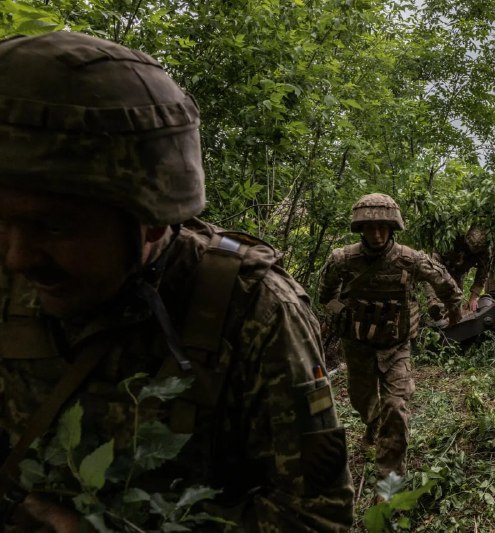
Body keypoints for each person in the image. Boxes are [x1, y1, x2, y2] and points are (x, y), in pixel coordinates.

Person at [0, 32, 353, 532]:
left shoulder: (252, 311)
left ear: (153, 220)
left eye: (55, 226)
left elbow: (316, 517)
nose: (17, 257)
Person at [318, 193, 462, 480]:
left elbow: (444, 282)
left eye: (383, 226)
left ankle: (389, 483)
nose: (376, 233)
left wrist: (455, 309)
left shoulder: (410, 260)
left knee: (395, 407)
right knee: (361, 400)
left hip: (396, 346)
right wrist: (339, 311)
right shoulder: (343, 259)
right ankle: (373, 423)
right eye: (370, 228)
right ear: (360, 229)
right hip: (358, 345)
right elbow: (325, 292)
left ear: (393, 227)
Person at [426, 226, 491, 318]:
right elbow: (435, 257)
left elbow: (482, 275)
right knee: (434, 278)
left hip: (458, 272)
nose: (474, 248)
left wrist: (474, 297)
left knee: (455, 304)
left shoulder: (485, 253)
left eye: (477, 248)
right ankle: (434, 303)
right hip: (441, 261)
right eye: (472, 245)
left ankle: (447, 320)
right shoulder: (455, 234)